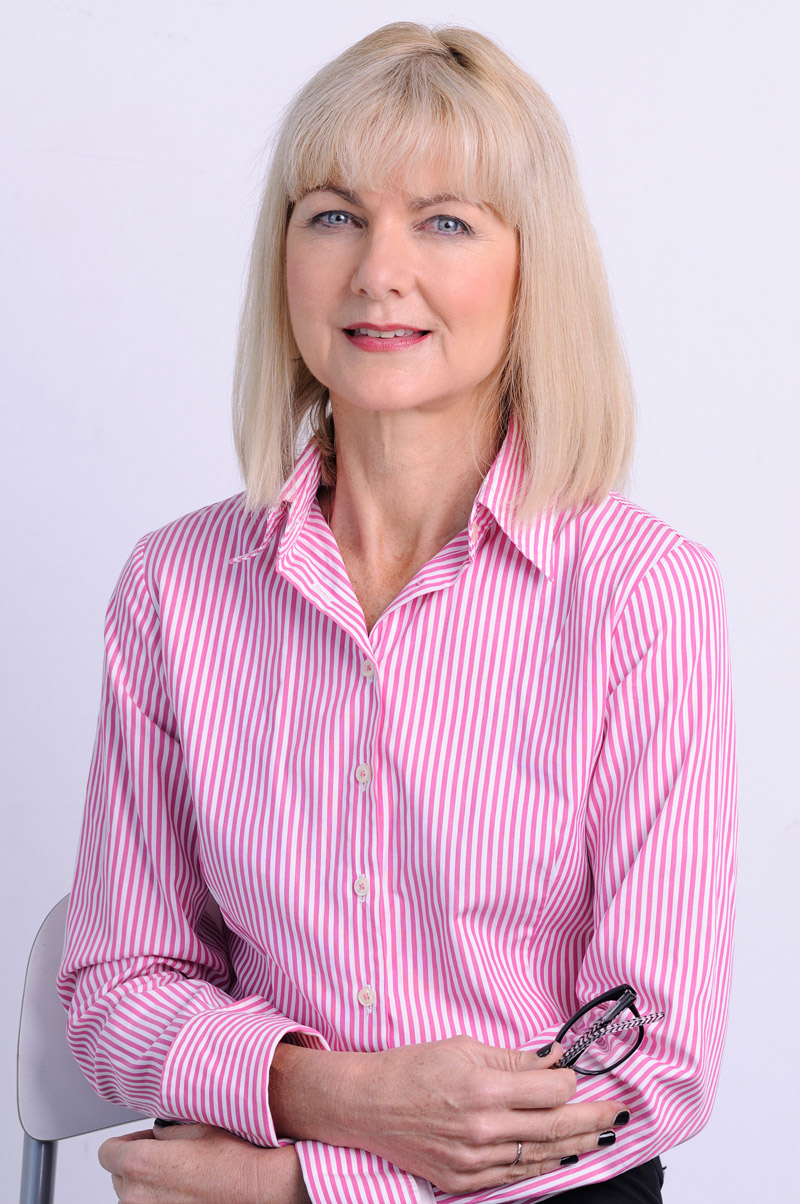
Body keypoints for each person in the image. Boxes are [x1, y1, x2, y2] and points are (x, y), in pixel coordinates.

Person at [58, 22, 736, 1204]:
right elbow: (116, 986)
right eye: (331, 214)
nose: (377, 270)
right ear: (284, 257)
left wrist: (308, 1185)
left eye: (444, 221)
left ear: (532, 268)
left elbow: (652, 1060)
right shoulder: (174, 590)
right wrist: (341, 1098)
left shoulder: (640, 595)